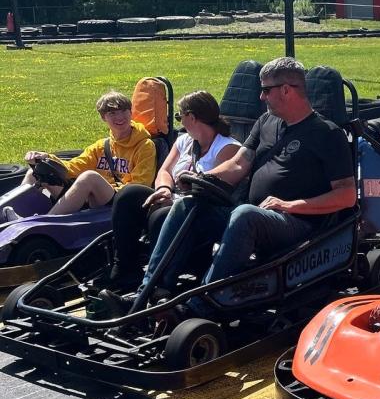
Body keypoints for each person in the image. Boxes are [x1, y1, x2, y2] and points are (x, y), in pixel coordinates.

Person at [132, 57, 356, 305]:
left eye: (265, 91)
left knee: (245, 214)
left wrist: (290, 205)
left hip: (296, 222)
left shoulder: (327, 134)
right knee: (186, 205)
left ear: (286, 90)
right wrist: (203, 179)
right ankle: (150, 291)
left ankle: (202, 304)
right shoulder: (266, 122)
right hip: (255, 215)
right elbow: (240, 163)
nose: (261, 98)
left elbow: (347, 196)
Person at [106, 91, 240, 291]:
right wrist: (163, 189)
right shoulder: (184, 141)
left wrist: (179, 196)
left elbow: (218, 188)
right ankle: (125, 269)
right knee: (129, 195)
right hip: (175, 197)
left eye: (180, 116)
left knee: (161, 215)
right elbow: (165, 170)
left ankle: (157, 284)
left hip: (201, 208)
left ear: (192, 117)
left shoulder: (228, 148)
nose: (180, 122)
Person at [2, 91, 156, 222]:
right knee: (35, 172)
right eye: (112, 113)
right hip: (93, 196)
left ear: (131, 112)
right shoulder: (102, 146)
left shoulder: (145, 146)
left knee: (89, 177)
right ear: (104, 118)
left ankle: (42, 223)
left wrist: (99, 187)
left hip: (122, 198)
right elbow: (73, 168)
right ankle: (9, 214)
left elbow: (141, 183)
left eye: (123, 111)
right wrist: (45, 158)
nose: (120, 117)